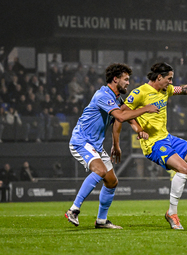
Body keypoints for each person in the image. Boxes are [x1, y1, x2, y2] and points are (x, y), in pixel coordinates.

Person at [114, 62, 187, 229]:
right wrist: (137, 128)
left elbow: (186, 89)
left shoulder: (165, 90)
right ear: (159, 77)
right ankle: (172, 213)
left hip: (166, 138)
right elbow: (121, 114)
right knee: (183, 169)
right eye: (169, 78)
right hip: (153, 143)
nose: (171, 82)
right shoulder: (140, 92)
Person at [65, 63, 159, 229]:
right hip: (81, 141)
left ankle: (101, 221)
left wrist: (137, 130)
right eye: (126, 79)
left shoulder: (116, 98)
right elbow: (120, 116)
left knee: (111, 182)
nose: (128, 83)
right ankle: (73, 209)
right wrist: (145, 109)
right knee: (100, 171)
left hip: (95, 144)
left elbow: (126, 118)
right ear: (115, 79)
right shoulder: (103, 95)